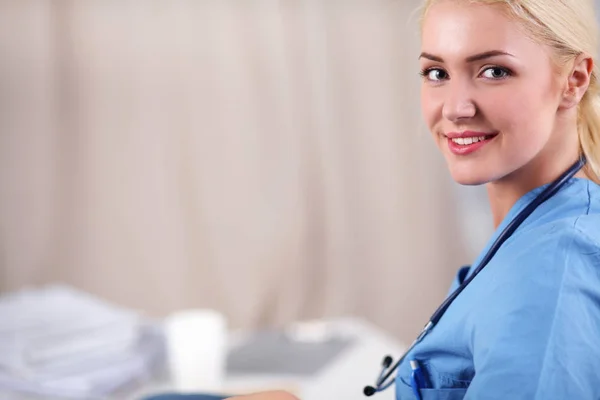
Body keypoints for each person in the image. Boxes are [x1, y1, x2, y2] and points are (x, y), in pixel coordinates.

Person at [226, 0, 600, 398]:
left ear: (574, 80)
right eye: (437, 73)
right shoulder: (536, 226)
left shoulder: (548, 275)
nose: (455, 108)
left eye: (494, 71)